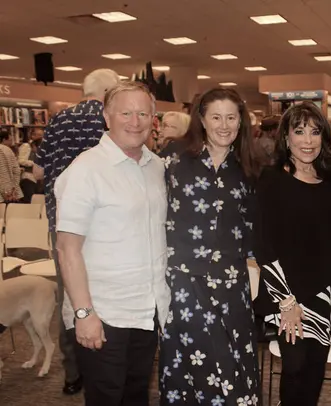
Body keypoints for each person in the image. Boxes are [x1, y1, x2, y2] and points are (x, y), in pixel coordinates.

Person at [55, 81, 170, 406]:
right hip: (103, 313)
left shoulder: (156, 167)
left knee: (136, 396)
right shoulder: (85, 170)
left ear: (153, 118)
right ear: (107, 116)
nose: (135, 121)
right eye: (126, 113)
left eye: (143, 113)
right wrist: (84, 313)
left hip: (146, 310)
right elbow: (67, 249)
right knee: (106, 398)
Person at [159, 87, 260, 405]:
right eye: (216, 116)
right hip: (183, 282)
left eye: (231, 117)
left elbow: (254, 227)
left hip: (231, 284)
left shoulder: (249, 166)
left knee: (233, 364)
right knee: (187, 365)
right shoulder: (172, 156)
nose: (224, 124)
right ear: (201, 119)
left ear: (241, 121)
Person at [253, 103, 331, 406]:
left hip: (326, 291)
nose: (308, 140)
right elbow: (264, 245)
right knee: (294, 369)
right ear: (286, 138)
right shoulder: (271, 180)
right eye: (299, 131)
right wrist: (286, 302)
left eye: (315, 132)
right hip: (288, 295)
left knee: (314, 372)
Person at [36, 68, 120, 396]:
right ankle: (106, 360)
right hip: (104, 224)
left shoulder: (57, 119)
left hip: (63, 224)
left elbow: (40, 169)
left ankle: (73, 372)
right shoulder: (110, 119)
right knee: (106, 293)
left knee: (70, 295)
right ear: (110, 92)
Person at [18, 127, 44, 202]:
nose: (40, 137)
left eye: (42, 135)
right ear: (32, 135)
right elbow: (20, 160)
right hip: (28, 178)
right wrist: (34, 163)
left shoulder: (42, 147)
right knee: (31, 200)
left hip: (39, 180)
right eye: (38, 135)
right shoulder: (27, 146)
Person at [0, 130, 23, 203]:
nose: (11, 142)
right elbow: (16, 171)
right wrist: (13, 188)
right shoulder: (7, 150)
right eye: (10, 140)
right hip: (11, 193)